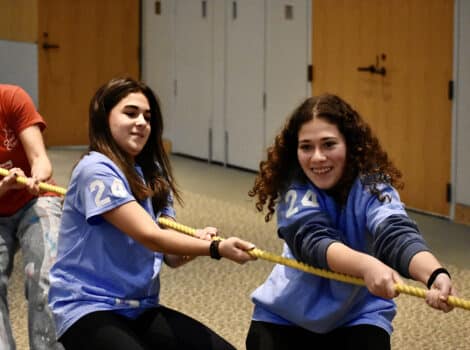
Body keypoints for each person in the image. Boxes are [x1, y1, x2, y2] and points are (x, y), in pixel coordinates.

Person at [48, 77, 256, 350]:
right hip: (88, 307)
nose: (142, 123)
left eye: (147, 117)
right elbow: (150, 236)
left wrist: (199, 244)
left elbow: (170, 257)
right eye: (130, 113)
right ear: (104, 117)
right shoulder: (94, 169)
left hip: (139, 308)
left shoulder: (152, 174)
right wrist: (216, 248)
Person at [245, 94, 455, 350]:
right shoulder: (295, 183)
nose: (317, 157)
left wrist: (434, 274)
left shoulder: (372, 180)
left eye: (329, 144)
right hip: (287, 315)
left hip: (358, 314)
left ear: (349, 144)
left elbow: (395, 231)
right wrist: (367, 265)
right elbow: (312, 241)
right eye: (306, 147)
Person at [0, 84, 63, 350]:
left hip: (34, 199)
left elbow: (40, 158)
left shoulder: (11, 98)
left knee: (47, 276)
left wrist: (37, 176)